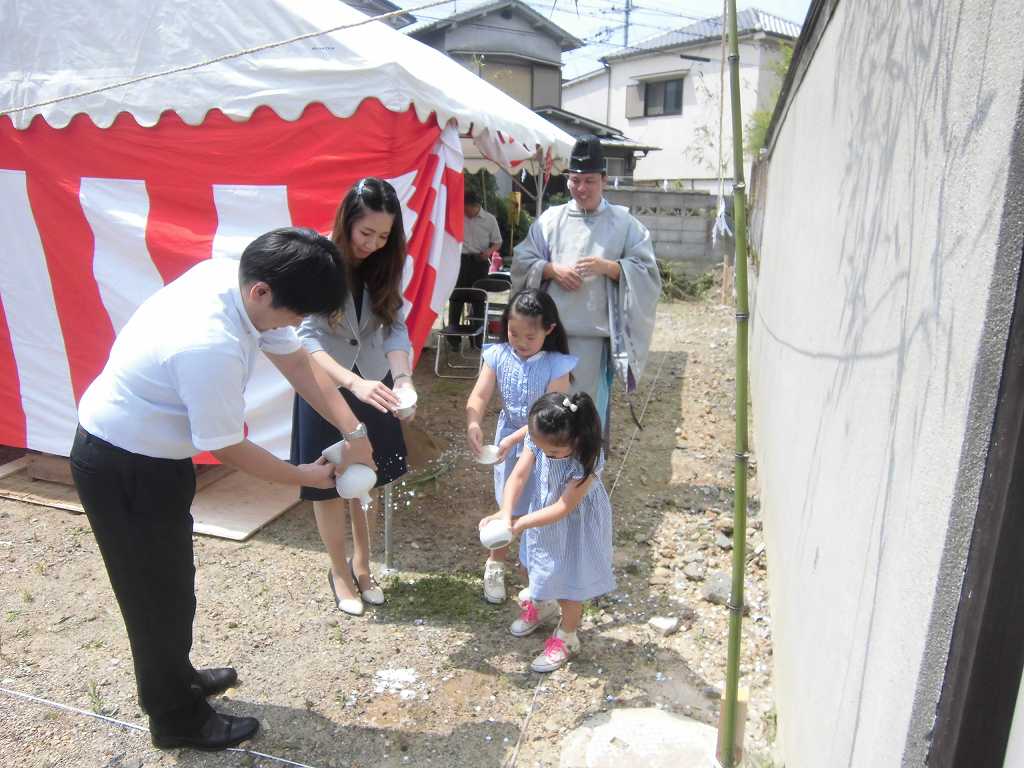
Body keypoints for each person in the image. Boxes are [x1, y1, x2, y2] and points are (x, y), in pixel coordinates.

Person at [70, 228, 375, 752]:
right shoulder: (209, 344)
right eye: (292, 315)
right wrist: (302, 476)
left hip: (157, 460)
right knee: (152, 598)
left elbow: (298, 362)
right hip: (122, 463)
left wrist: (356, 433)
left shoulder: (238, 280)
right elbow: (228, 447)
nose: (292, 326)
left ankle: (177, 675)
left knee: (173, 582)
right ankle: (176, 719)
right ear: (262, 293)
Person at [291, 178, 415, 617]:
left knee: (368, 473)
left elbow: (394, 324)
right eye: (366, 234)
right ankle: (338, 571)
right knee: (328, 479)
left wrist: (401, 377)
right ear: (347, 222)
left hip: (375, 379)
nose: (374, 245)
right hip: (324, 383)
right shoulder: (317, 261)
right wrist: (352, 381)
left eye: (384, 237)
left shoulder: (390, 262)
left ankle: (363, 564)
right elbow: (305, 338)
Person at [511, 134, 661, 442]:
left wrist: (610, 268)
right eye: (575, 180)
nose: (581, 188)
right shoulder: (550, 221)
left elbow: (647, 272)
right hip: (548, 338)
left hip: (593, 342)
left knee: (584, 414)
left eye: (589, 181)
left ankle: (583, 479)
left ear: (604, 180)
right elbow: (523, 260)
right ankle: (543, 472)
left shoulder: (625, 223)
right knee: (547, 411)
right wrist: (551, 269)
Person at [479, 391, 613, 673]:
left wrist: (521, 523)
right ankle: (543, 604)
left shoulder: (586, 458)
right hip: (542, 514)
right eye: (538, 446)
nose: (543, 453)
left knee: (568, 584)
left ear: (575, 439)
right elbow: (518, 475)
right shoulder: (541, 437)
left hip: (574, 525)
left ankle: (567, 637)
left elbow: (564, 507)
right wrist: (505, 513)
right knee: (530, 564)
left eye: (551, 453)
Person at [465, 289, 576, 604]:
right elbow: (480, 395)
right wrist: (474, 422)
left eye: (530, 336)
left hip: (545, 444)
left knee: (540, 504)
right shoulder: (498, 355)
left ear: (549, 330)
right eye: (514, 333)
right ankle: (495, 562)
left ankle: (537, 572)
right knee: (507, 500)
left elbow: (550, 413)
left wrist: (516, 438)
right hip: (508, 439)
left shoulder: (557, 364)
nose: (520, 342)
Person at [449, 189, 502, 348]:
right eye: (464, 208)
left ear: (477, 206)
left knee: (478, 299)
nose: (467, 212)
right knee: (456, 298)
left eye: (469, 209)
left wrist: (488, 252)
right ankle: (453, 339)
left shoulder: (490, 220)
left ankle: (478, 339)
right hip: (461, 261)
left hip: (480, 262)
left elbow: (497, 241)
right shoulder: (458, 216)